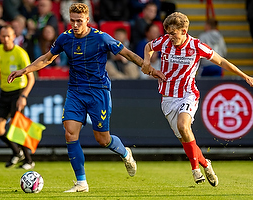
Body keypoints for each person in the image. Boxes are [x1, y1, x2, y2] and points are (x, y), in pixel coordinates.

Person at [8, 3, 164, 192]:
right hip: (75, 91)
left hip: (98, 91)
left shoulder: (101, 38)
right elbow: (47, 58)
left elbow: (127, 53)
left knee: (103, 139)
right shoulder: (65, 38)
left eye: (79, 21)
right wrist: (25, 70)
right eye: (72, 21)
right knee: (70, 133)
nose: (75, 25)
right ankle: (81, 182)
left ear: (87, 20)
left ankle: (125, 153)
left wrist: (147, 66)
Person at [142, 12, 253, 187]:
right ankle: (206, 164)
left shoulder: (196, 46)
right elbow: (149, 46)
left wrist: (245, 76)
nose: (169, 37)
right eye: (167, 33)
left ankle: (195, 169)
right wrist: (147, 62)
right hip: (167, 98)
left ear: (183, 31)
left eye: (173, 33)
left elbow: (221, 61)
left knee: (183, 126)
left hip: (188, 94)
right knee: (186, 138)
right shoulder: (165, 41)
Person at [0, 25, 36, 170]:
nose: (5, 39)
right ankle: (17, 152)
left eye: (8, 36)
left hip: (18, 92)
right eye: (3, 36)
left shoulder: (20, 53)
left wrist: (23, 96)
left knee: (17, 127)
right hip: (4, 92)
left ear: (13, 37)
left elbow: (31, 78)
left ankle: (29, 160)